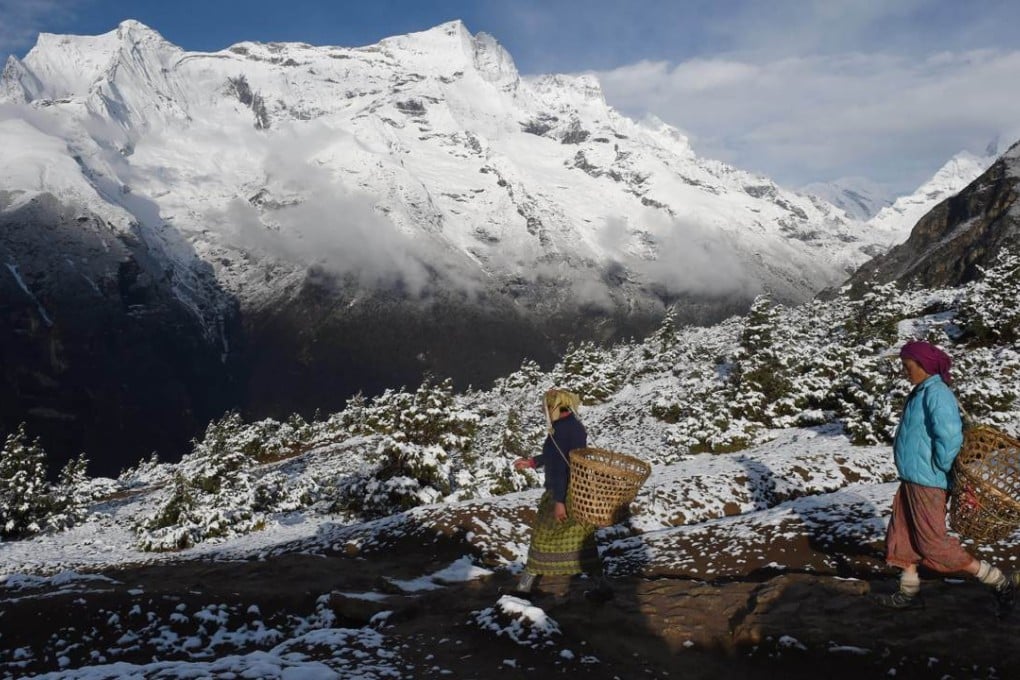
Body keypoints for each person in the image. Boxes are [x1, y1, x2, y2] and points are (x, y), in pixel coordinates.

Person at [876, 340, 1018, 616]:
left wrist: (941, 465)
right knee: (901, 533)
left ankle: (997, 580)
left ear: (923, 365)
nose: (905, 371)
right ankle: (909, 593)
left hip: (928, 480)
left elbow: (950, 434)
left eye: (908, 366)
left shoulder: (937, 393)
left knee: (933, 543)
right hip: (913, 478)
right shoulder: (922, 391)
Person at [511, 388, 609, 600]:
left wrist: (559, 502)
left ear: (555, 407)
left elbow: (564, 467)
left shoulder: (566, 430)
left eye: (547, 406)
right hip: (572, 491)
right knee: (582, 537)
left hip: (564, 493)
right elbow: (555, 455)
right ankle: (600, 586)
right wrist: (533, 462)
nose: (544, 410)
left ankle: (523, 588)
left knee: (541, 537)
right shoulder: (568, 426)